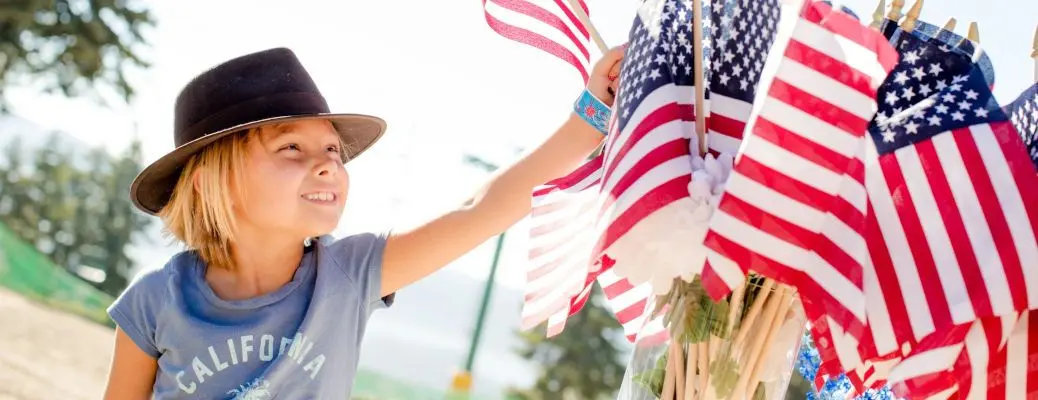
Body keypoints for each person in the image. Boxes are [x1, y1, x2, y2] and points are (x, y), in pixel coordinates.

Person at [101, 45, 625, 399]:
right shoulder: (154, 300)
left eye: (332, 148)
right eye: (291, 147)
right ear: (211, 181)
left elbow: (480, 211)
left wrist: (592, 113)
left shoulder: (349, 275)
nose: (328, 162)